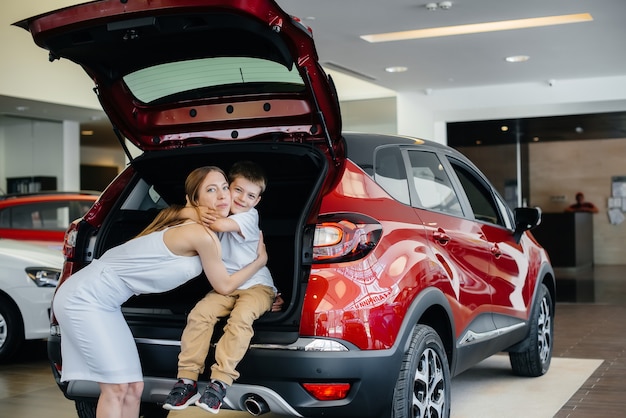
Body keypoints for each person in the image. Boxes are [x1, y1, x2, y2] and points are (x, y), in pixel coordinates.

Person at [51, 166, 267, 418]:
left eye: (223, 187)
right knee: (118, 388)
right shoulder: (200, 233)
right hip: (83, 298)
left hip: (106, 303)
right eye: (211, 189)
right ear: (194, 199)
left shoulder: (190, 219)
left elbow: (190, 213)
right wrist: (259, 262)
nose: (222, 196)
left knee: (134, 388)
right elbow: (225, 286)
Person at [163, 161, 277, 414]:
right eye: (236, 191)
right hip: (227, 286)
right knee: (199, 314)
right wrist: (191, 210)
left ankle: (220, 382)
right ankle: (187, 380)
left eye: (250, 195)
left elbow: (217, 224)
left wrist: (193, 209)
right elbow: (175, 216)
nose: (241, 199)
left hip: (257, 286)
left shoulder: (248, 217)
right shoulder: (222, 209)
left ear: (257, 201)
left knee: (240, 319)